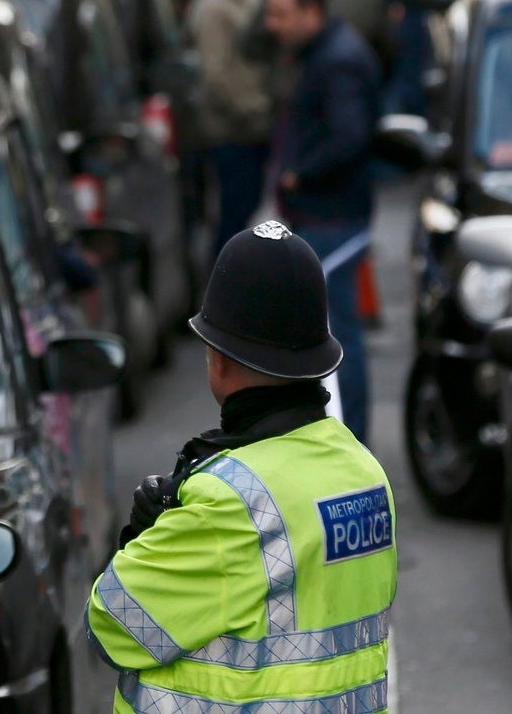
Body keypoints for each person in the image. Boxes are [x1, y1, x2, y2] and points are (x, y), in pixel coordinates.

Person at [87, 222, 396, 713]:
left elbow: (111, 629)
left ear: (218, 359)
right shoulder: (366, 476)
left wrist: (144, 539)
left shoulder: (228, 501)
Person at [263, 0, 380, 443]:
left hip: (333, 217)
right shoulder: (325, 53)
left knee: (336, 343)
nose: (273, 24)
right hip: (326, 215)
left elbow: (349, 135)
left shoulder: (337, 61)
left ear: (312, 12)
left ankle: (350, 445)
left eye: (282, 14)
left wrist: (299, 172)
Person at [189, 0, 272, 257]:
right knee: (234, 216)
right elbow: (216, 76)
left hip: (247, 127)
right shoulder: (212, 9)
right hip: (232, 130)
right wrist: (254, 109)